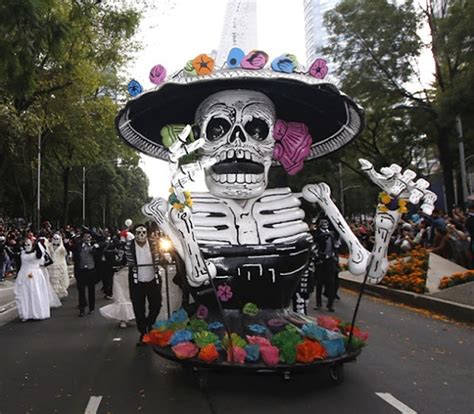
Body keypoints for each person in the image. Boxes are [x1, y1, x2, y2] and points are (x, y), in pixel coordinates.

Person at [125, 224, 162, 346]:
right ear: (134, 233)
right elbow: (122, 259)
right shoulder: (129, 245)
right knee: (138, 309)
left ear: (147, 233)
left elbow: (161, 257)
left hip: (152, 280)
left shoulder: (154, 243)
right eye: (138, 233)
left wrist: (165, 258)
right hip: (137, 282)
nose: (141, 235)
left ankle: (150, 323)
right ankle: (143, 332)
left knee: (156, 305)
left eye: (143, 232)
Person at [13, 237, 51, 321]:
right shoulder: (22, 253)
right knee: (24, 294)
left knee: (35, 292)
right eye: (25, 244)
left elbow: (39, 255)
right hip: (23, 275)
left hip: (35, 275)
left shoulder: (36, 253)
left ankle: (37, 312)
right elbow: (15, 258)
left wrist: (37, 244)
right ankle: (26, 313)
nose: (27, 246)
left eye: (29, 244)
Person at [312, 217, 340, 312]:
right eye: (322, 223)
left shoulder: (332, 234)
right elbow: (315, 244)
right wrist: (316, 259)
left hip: (330, 261)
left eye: (326, 223)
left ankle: (330, 304)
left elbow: (336, 246)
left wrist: (336, 258)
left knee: (331, 282)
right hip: (321, 260)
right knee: (319, 283)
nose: (324, 224)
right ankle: (318, 303)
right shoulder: (316, 233)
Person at [72, 231, 100, 317]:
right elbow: (74, 255)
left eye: (89, 237)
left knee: (91, 290)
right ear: (83, 238)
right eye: (85, 237)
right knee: (81, 290)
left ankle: (91, 308)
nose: (87, 238)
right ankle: (82, 309)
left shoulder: (94, 246)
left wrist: (95, 248)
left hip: (91, 270)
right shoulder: (78, 246)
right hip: (81, 270)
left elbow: (97, 255)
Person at [47, 233, 69, 298]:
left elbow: (64, 254)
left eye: (57, 239)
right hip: (51, 265)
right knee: (52, 279)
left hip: (59, 265)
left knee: (59, 279)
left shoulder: (61, 247)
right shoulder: (49, 246)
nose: (56, 240)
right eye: (54, 238)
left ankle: (59, 294)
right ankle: (52, 295)